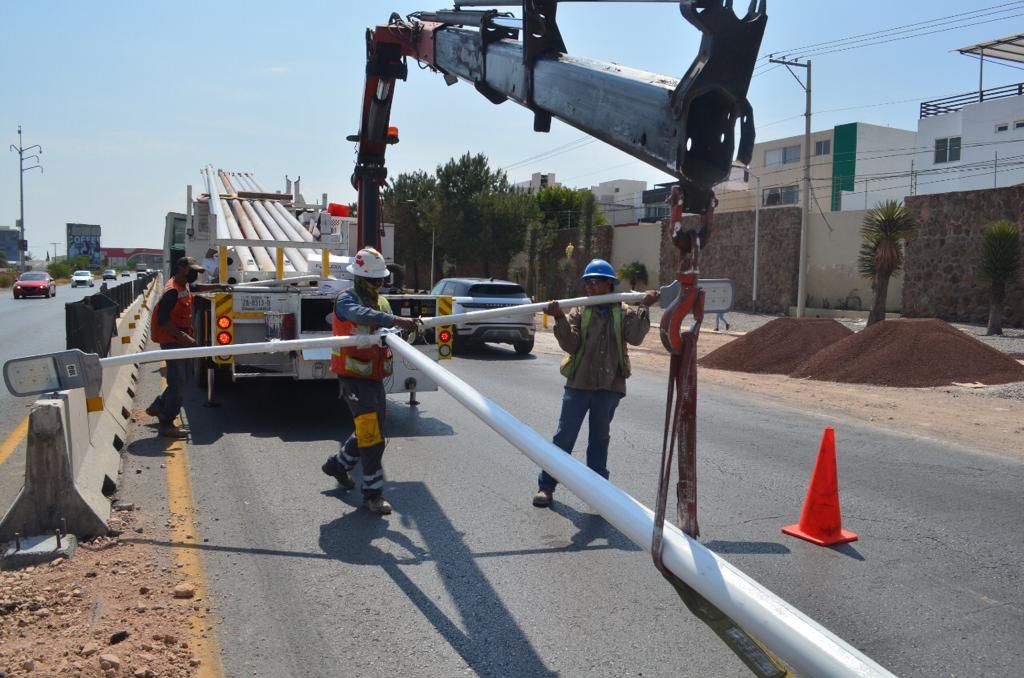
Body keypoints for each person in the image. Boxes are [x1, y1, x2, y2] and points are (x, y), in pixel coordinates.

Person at [533, 258, 660, 507]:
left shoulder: (623, 311)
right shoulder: (579, 311)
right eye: (588, 282)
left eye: (596, 282)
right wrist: (559, 318)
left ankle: (599, 494)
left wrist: (644, 306)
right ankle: (546, 487)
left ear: (609, 284)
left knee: (599, 440)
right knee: (564, 438)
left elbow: (635, 337)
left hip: (609, 387)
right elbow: (571, 345)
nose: (591, 286)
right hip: (579, 385)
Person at [321, 247, 417, 515]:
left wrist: (401, 330)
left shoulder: (382, 303)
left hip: (373, 376)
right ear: (360, 279)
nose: (379, 285)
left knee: (372, 429)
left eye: (381, 280)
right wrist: (396, 320)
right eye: (374, 280)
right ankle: (372, 495)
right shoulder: (346, 300)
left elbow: (389, 329)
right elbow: (360, 316)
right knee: (372, 436)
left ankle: (338, 465)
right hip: (353, 377)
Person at [145, 256, 228, 438]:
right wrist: (184, 338)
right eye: (193, 271)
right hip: (172, 340)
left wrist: (219, 286)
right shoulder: (172, 291)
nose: (195, 274)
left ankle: (159, 405)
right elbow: (163, 321)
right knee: (178, 383)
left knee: (183, 380)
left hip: (180, 341)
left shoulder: (184, 285)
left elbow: (197, 288)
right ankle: (166, 423)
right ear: (182, 268)